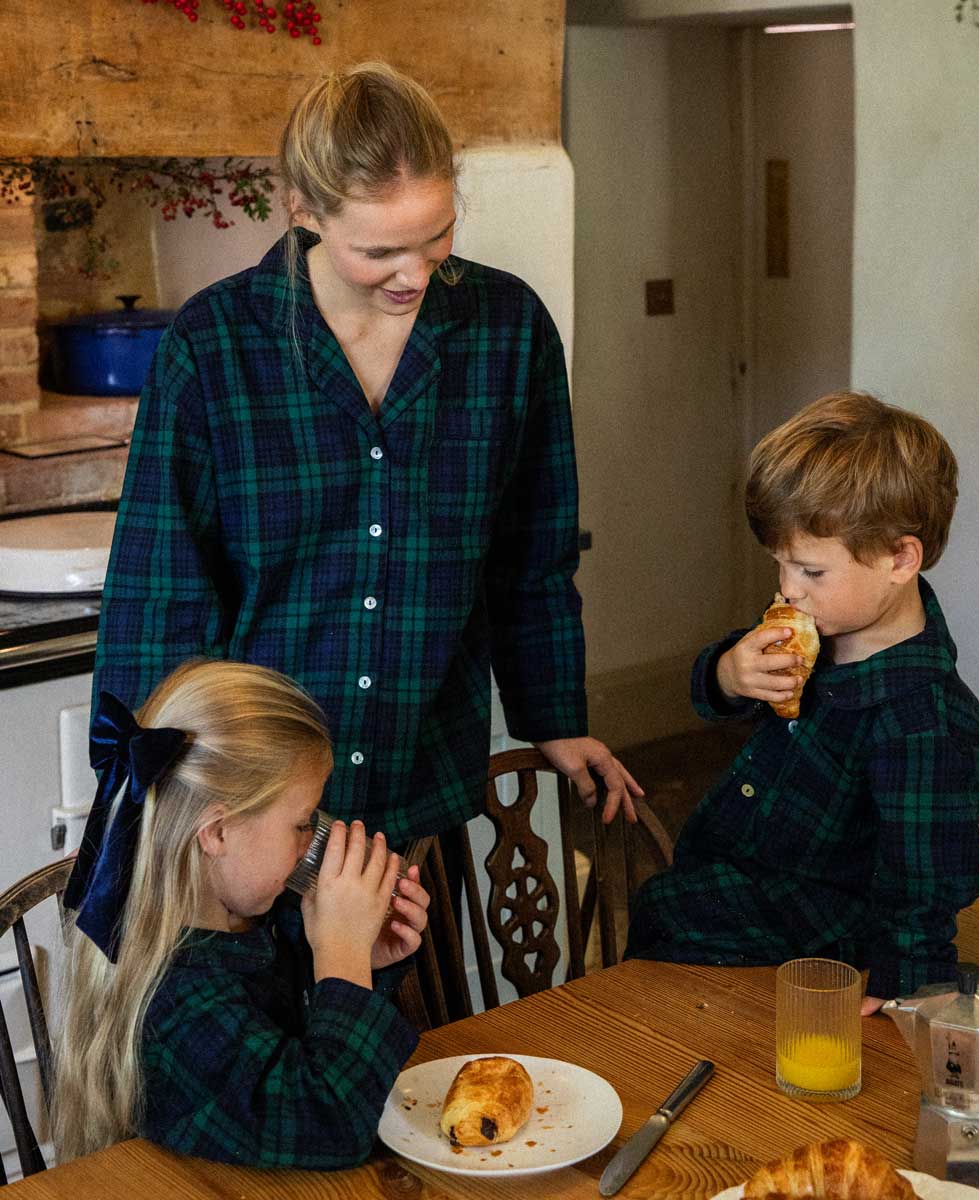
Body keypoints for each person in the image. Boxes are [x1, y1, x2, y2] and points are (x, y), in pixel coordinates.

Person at [92, 61, 641, 848]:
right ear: (304, 209)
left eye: (438, 235)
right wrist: (158, 798)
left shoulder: (508, 331)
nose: (415, 275)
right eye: (379, 250)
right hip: (252, 804)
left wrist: (553, 717)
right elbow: (160, 595)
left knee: (405, 972)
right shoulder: (214, 345)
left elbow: (531, 558)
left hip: (420, 778)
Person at [626, 391, 979, 1011]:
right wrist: (728, 673)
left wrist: (899, 988)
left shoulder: (923, 720)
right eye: (780, 564)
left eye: (811, 572)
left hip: (813, 950)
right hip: (732, 888)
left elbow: (923, 885)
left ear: (902, 558)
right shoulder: (818, 628)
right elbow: (712, 696)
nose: (786, 589)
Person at [53, 659, 429, 1168]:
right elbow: (328, 1124)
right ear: (218, 831)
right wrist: (342, 953)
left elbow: (307, 1057)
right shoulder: (173, 1001)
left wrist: (362, 962)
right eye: (302, 823)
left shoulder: (248, 926)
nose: (313, 841)